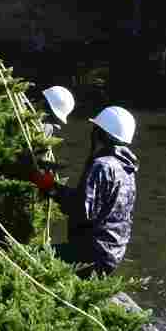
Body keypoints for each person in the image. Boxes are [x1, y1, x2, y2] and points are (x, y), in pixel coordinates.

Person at [33, 105, 139, 277]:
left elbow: (82, 210)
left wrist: (50, 187)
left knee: (30, 258)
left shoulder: (103, 166)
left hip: (91, 255)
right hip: (112, 254)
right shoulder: (127, 169)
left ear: (101, 133)